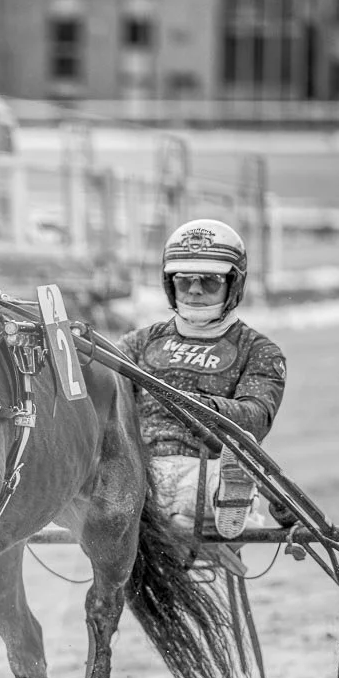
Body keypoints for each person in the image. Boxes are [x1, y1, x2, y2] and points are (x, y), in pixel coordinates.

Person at [115, 218, 287, 539]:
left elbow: (256, 418)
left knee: (206, 481)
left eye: (209, 281)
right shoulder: (137, 344)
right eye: (184, 281)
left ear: (232, 284)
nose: (194, 290)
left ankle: (228, 493)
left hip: (206, 465)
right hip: (139, 469)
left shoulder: (260, 351)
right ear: (170, 283)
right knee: (110, 474)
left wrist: (196, 405)